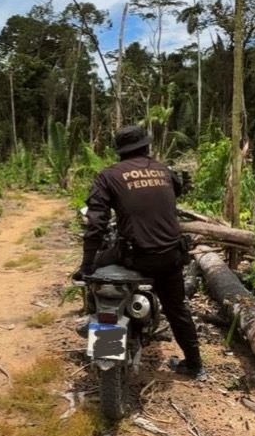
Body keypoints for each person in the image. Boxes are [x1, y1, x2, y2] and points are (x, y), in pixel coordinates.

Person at [76, 125, 206, 381]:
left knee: (94, 273)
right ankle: (195, 366)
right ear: (147, 146)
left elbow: (96, 224)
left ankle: (96, 319)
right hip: (170, 256)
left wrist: (86, 265)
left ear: (120, 151)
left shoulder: (108, 176)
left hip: (135, 257)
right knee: (177, 309)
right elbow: (177, 190)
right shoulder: (164, 171)